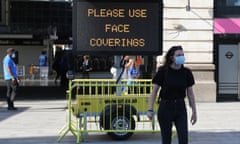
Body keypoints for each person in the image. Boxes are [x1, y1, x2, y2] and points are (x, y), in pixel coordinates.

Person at [147, 46, 197, 144]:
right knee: (166, 140)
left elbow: (190, 93)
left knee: (183, 139)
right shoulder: (163, 71)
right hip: (165, 107)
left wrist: (194, 111)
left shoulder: (186, 72)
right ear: (172, 57)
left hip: (180, 107)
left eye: (182, 55)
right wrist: (150, 109)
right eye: (178, 55)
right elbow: (154, 92)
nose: (181, 57)